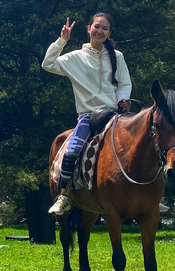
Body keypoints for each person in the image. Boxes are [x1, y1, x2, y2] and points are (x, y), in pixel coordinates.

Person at [42, 13, 132, 215]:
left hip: (115, 114)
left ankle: (149, 196)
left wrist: (123, 99)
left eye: (105, 28)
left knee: (144, 140)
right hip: (89, 116)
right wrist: (62, 41)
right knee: (72, 152)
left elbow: (124, 83)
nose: (100, 31)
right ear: (89, 28)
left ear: (109, 33)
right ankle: (63, 195)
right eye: (97, 27)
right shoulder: (75, 57)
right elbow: (47, 64)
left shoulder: (117, 57)